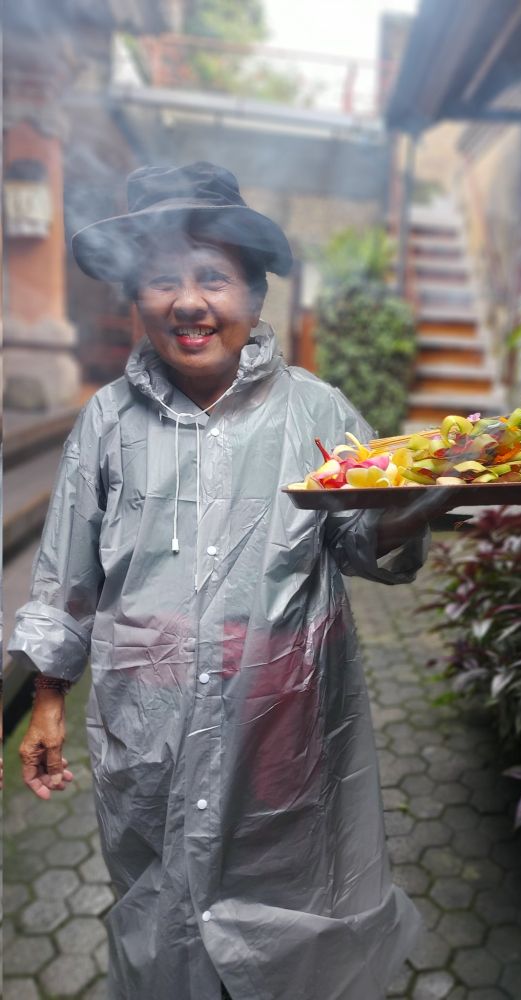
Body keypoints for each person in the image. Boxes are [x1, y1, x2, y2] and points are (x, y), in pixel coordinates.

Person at [9, 162, 453, 1000]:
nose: (188, 303)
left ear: (254, 293)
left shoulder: (318, 412)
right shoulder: (106, 421)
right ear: (134, 297)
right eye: (161, 280)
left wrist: (411, 509)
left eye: (213, 277)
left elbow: (362, 542)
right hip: (150, 728)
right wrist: (48, 695)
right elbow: (68, 574)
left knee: (287, 909)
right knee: (159, 908)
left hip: (282, 724)